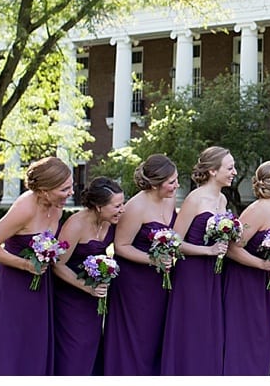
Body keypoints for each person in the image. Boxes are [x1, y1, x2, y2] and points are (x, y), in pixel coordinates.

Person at [0, 156, 74, 375]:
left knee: (36, 347)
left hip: (41, 288)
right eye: (64, 188)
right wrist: (24, 265)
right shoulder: (25, 208)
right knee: (12, 349)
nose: (71, 193)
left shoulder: (56, 207)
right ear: (44, 189)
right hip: (13, 288)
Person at [102, 154, 179, 376]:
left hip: (159, 281)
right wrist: (153, 260)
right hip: (134, 282)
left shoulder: (170, 200)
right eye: (171, 182)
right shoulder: (135, 207)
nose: (176, 186)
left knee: (156, 333)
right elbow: (121, 245)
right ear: (155, 183)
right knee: (136, 335)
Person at [160, 146, 233, 375]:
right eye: (230, 168)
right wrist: (208, 251)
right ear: (213, 171)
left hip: (213, 273)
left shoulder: (221, 198)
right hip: (191, 274)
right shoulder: (195, 198)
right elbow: (175, 241)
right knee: (192, 327)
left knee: (209, 328)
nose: (234, 172)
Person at [223, 158, 270, 375]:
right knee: (246, 335)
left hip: (263, 282)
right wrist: (261, 263)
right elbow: (233, 248)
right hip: (243, 281)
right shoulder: (258, 210)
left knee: (263, 334)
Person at [53, 177, 124, 375]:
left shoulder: (111, 221)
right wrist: (86, 286)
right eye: (117, 205)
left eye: (123, 204)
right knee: (76, 346)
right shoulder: (75, 225)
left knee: (92, 343)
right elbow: (57, 264)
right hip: (70, 295)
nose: (122, 209)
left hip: (94, 296)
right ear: (99, 206)